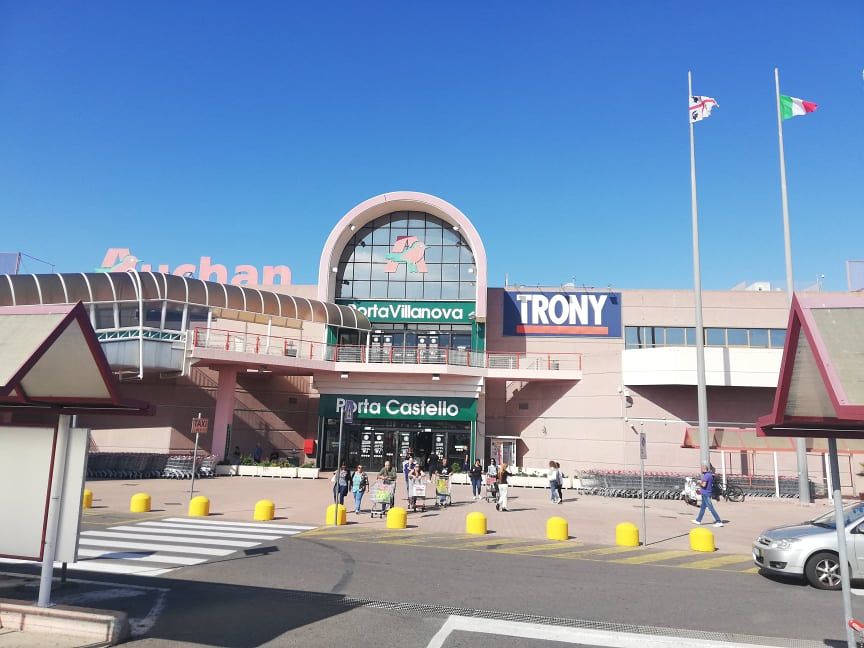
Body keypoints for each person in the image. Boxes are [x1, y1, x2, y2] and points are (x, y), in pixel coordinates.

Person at [693, 463, 724, 527]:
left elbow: (704, 485)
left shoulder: (706, 476)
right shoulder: (709, 475)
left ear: (704, 469)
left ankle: (718, 521)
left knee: (711, 508)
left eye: (701, 468)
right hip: (706, 493)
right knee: (702, 508)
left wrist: (699, 483)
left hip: (706, 494)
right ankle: (698, 520)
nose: (701, 469)